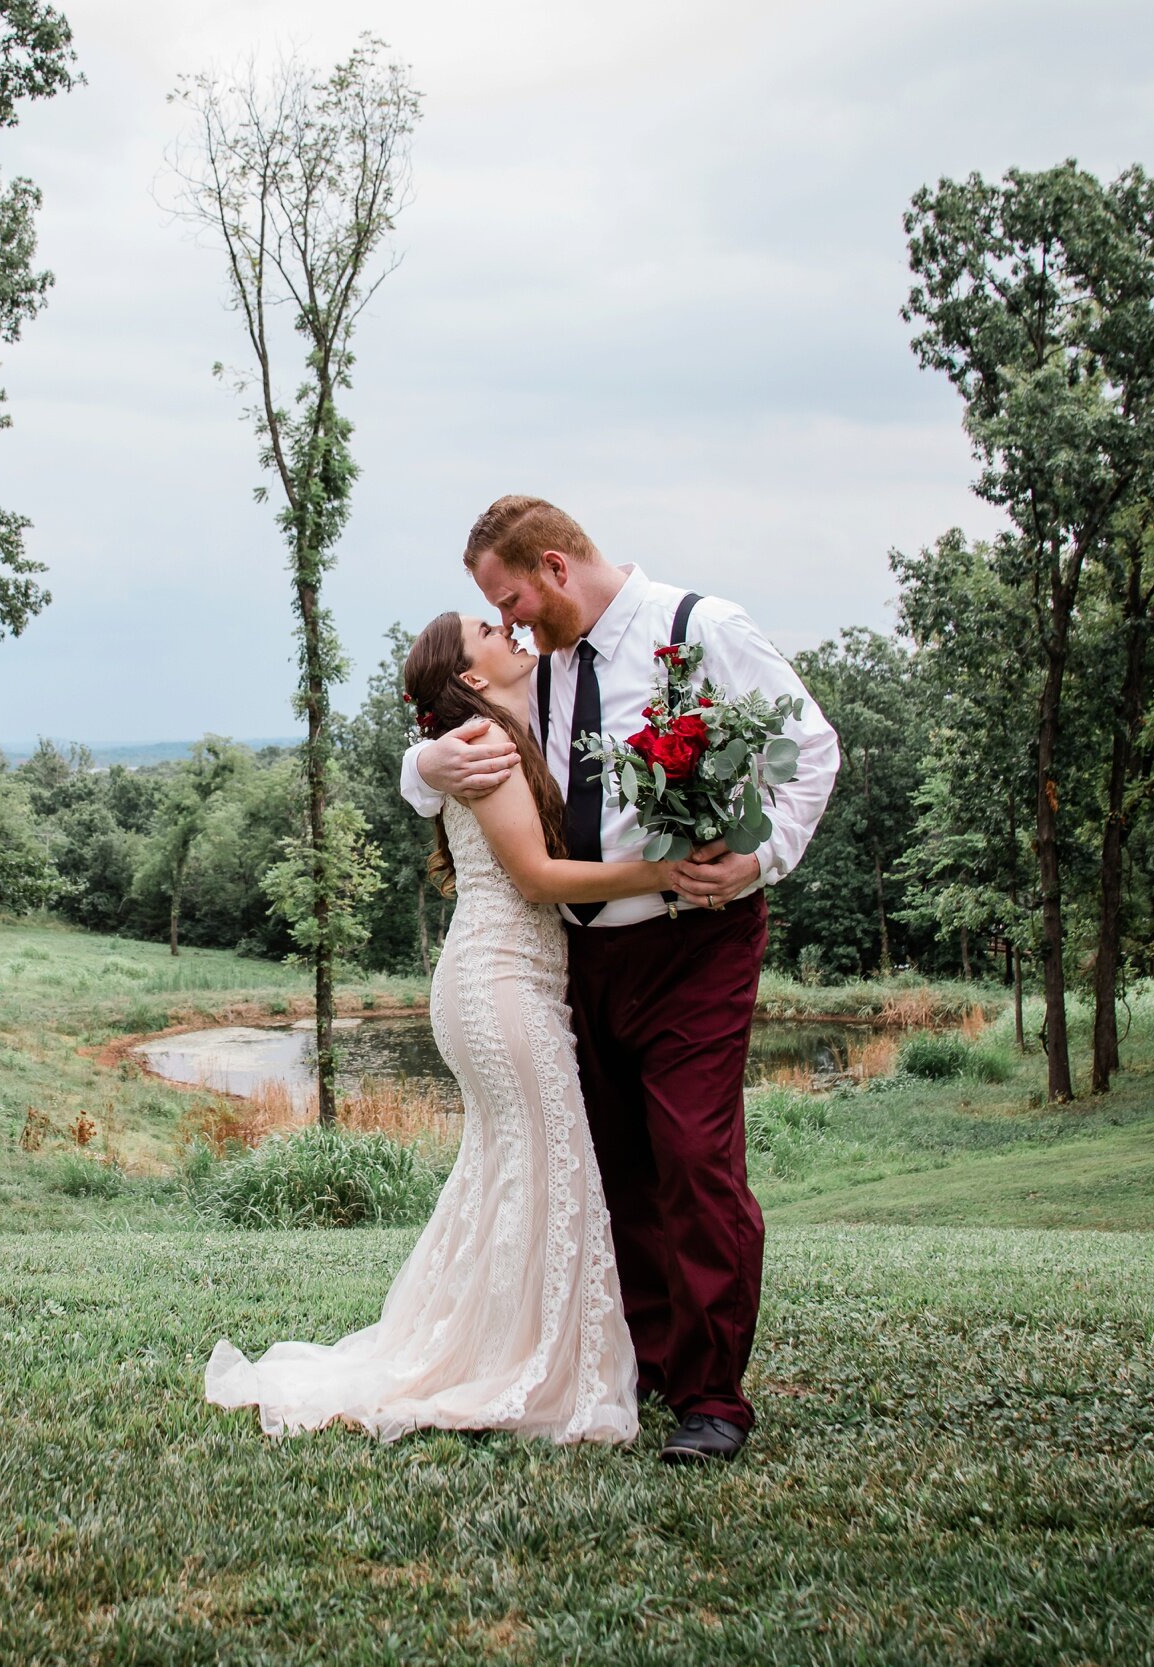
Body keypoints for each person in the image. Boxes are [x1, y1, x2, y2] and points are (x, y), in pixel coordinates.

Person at [402, 495, 839, 1464]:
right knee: (613, 1162)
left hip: (695, 937)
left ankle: (711, 1394)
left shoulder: (700, 629)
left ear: (557, 566)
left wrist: (759, 862)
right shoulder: (534, 671)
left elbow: (809, 748)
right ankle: (642, 1353)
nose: (510, 624)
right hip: (579, 955)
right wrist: (422, 760)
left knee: (693, 1156)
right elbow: (455, 744)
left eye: (512, 599)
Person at [204, 611, 682, 1445]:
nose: (512, 631)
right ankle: (524, 1364)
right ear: (469, 676)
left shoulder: (498, 728)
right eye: (491, 632)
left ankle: (501, 1347)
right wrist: (665, 875)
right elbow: (535, 878)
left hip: (508, 982)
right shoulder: (484, 749)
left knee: (517, 1171)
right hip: (500, 985)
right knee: (552, 1164)